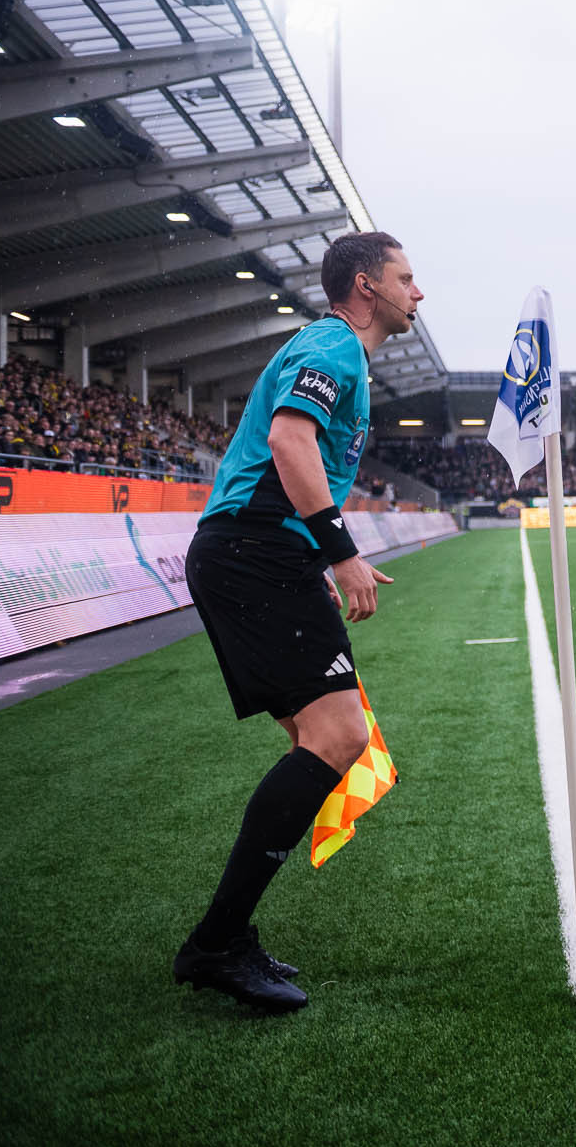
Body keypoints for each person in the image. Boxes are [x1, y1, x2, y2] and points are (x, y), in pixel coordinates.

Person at [173, 232, 423, 1013]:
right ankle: (216, 943)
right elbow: (288, 439)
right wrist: (339, 552)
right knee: (338, 736)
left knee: (323, 739)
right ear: (365, 285)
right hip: (256, 552)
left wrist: (323, 554)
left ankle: (224, 937)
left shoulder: (344, 355)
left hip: (257, 554)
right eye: (405, 278)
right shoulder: (332, 343)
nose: (418, 293)